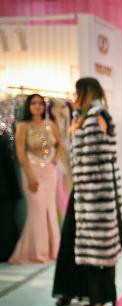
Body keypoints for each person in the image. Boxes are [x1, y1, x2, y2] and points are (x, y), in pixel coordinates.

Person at [52, 77, 122, 306]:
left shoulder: (99, 115)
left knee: (97, 245)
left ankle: (98, 295)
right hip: (82, 191)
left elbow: (103, 152)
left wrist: (77, 132)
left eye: (78, 91)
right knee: (72, 242)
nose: (75, 95)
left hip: (98, 193)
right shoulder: (79, 116)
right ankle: (71, 290)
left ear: (86, 92)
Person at [9, 94, 63, 264]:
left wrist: (54, 160)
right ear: (28, 106)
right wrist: (30, 176)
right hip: (31, 171)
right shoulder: (23, 126)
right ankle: (38, 252)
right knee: (37, 211)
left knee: (50, 210)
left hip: (49, 172)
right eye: (33, 103)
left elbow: (60, 144)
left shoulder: (50, 124)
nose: (37, 106)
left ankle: (53, 250)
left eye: (40, 103)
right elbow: (20, 153)